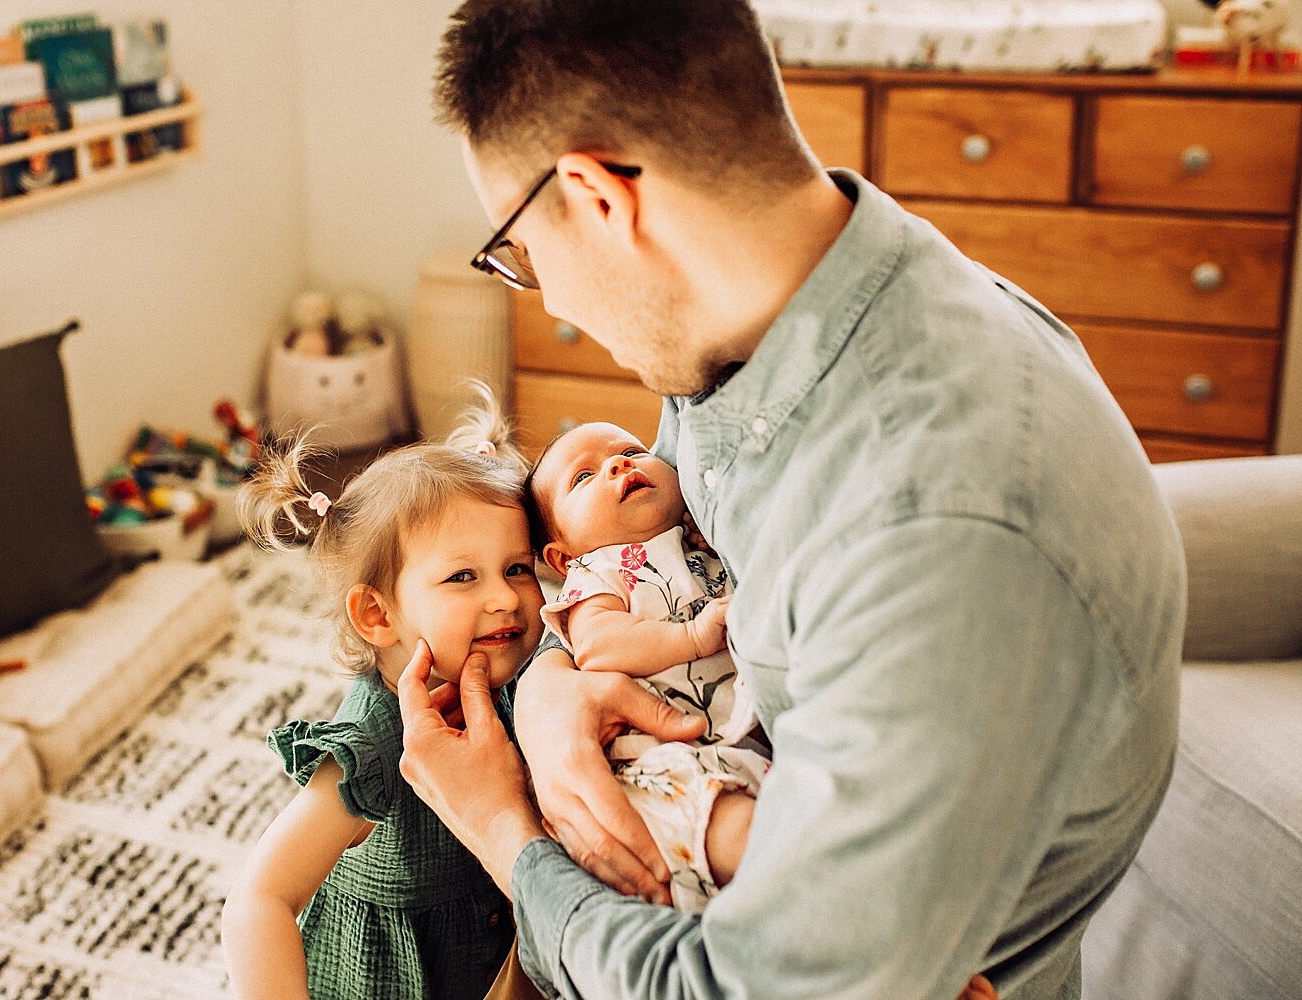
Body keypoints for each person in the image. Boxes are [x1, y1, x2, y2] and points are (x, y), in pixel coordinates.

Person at [396, 2, 1186, 998]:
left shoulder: (946, 532)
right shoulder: (763, 327)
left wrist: (505, 835)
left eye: (519, 251)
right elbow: (620, 552)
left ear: (600, 198)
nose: (544, 298)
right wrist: (553, 691)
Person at [219, 394, 543, 1000]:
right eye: (463, 577)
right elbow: (258, 900)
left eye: (518, 568)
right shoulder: (370, 748)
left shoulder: (526, 683)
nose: (505, 598)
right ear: (377, 613)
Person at [528, 419, 766, 911]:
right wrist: (692, 636)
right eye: (584, 477)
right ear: (562, 554)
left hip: (742, 738)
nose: (619, 464)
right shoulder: (597, 572)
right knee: (751, 836)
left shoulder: (702, 538)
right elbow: (598, 646)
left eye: (633, 450)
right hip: (665, 762)